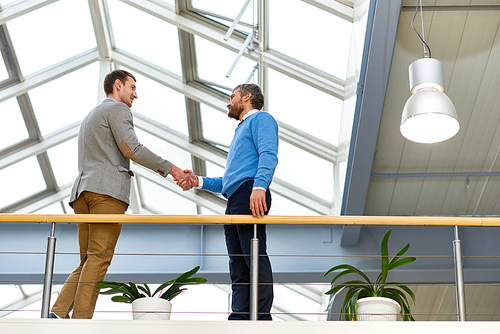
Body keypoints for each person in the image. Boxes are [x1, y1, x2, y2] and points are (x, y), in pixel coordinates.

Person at [50, 69, 192, 319]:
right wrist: (173, 170)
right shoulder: (117, 110)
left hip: (83, 193)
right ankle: (80, 321)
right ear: (118, 85)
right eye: (132, 87)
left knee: (88, 260)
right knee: (100, 259)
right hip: (106, 194)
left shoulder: (91, 115)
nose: (135, 94)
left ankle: (59, 312)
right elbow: (132, 148)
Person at [182, 83, 278, 320]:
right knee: (238, 265)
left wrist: (259, 187)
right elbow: (229, 180)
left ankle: (261, 315)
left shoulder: (261, 119)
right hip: (236, 197)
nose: (228, 102)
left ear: (246, 97)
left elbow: (269, 154)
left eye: (232, 96)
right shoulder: (241, 129)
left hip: (250, 193)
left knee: (253, 256)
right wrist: (198, 181)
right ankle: (240, 316)